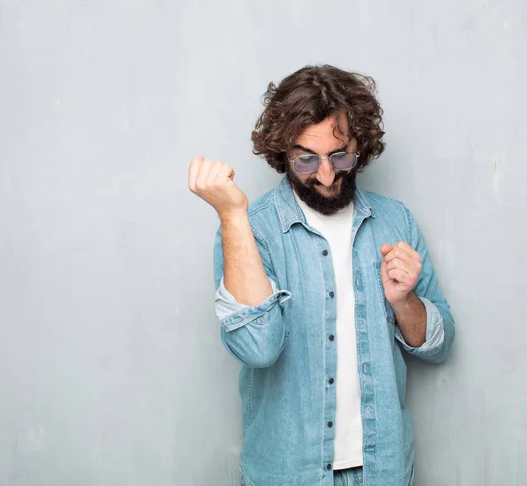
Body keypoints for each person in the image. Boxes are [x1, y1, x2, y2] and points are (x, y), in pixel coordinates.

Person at [188, 65, 455, 486]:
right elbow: (258, 349)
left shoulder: (395, 221)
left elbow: (438, 345)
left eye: (340, 155)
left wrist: (405, 302)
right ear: (283, 153)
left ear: (360, 146)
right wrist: (231, 214)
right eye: (306, 159)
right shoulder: (249, 229)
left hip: (383, 471)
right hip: (286, 472)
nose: (327, 176)